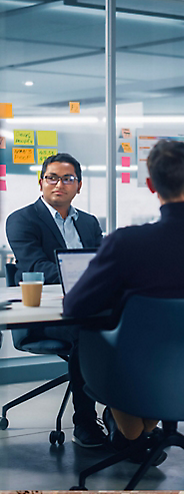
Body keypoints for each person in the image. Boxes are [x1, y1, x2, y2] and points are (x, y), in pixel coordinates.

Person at [63, 140, 184, 461]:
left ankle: (132, 434)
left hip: (140, 378)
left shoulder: (127, 243)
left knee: (115, 344)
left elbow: (74, 308)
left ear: (152, 185)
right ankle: (137, 435)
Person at [6, 153, 106, 449]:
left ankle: (121, 416)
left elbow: (104, 263)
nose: (59, 184)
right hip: (44, 317)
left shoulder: (88, 223)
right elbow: (35, 266)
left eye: (67, 178)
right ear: (41, 183)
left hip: (89, 308)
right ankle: (85, 422)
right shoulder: (22, 220)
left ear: (79, 186)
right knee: (87, 332)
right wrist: (86, 276)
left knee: (123, 325)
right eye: (52, 177)